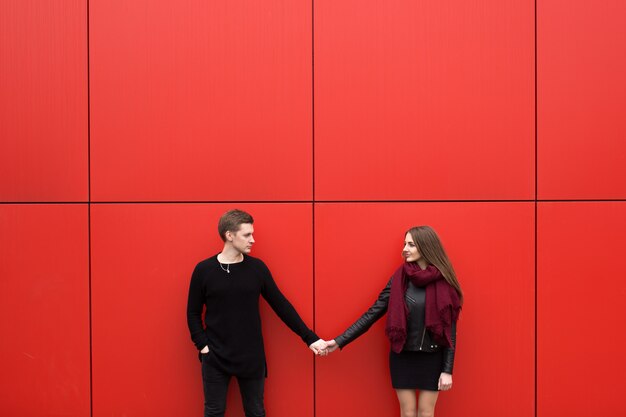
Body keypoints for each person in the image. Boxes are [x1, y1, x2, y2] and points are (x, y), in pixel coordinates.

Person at [186, 209, 327, 417]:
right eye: (247, 235)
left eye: (252, 234)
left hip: (251, 356)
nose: (253, 239)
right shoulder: (204, 270)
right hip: (215, 356)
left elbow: (281, 305)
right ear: (229, 235)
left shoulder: (257, 269)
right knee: (214, 412)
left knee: (256, 412)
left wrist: (310, 338)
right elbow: (192, 313)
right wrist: (204, 347)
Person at [325, 226, 463, 417]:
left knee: (426, 413)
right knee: (407, 413)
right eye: (404, 244)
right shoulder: (399, 279)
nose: (405, 248)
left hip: (432, 357)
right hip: (402, 355)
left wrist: (447, 370)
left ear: (426, 246)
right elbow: (372, 313)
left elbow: (450, 332)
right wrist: (339, 341)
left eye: (411, 244)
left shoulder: (445, 283)